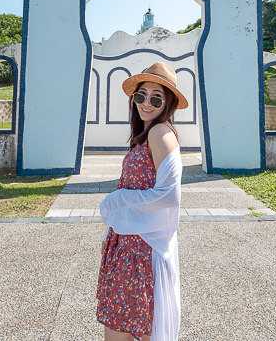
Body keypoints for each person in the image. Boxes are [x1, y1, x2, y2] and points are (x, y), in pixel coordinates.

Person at [97, 61, 188, 341]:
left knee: (124, 333)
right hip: (128, 248)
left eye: (156, 97)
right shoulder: (144, 136)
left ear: (168, 103)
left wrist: (118, 199)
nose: (146, 103)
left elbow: (170, 196)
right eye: (140, 95)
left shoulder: (160, 133)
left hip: (141, 253)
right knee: (127, 330)